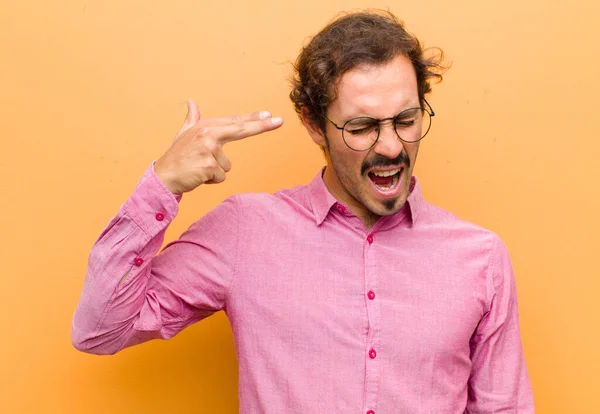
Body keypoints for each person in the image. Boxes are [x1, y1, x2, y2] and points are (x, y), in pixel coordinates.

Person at [72, 10, 534, 413]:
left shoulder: (481, 258)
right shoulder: (244, 231)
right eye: (362, 126)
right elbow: (100, 331)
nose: (391, 145)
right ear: (315, 125)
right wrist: (162, 186)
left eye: (406, 120)